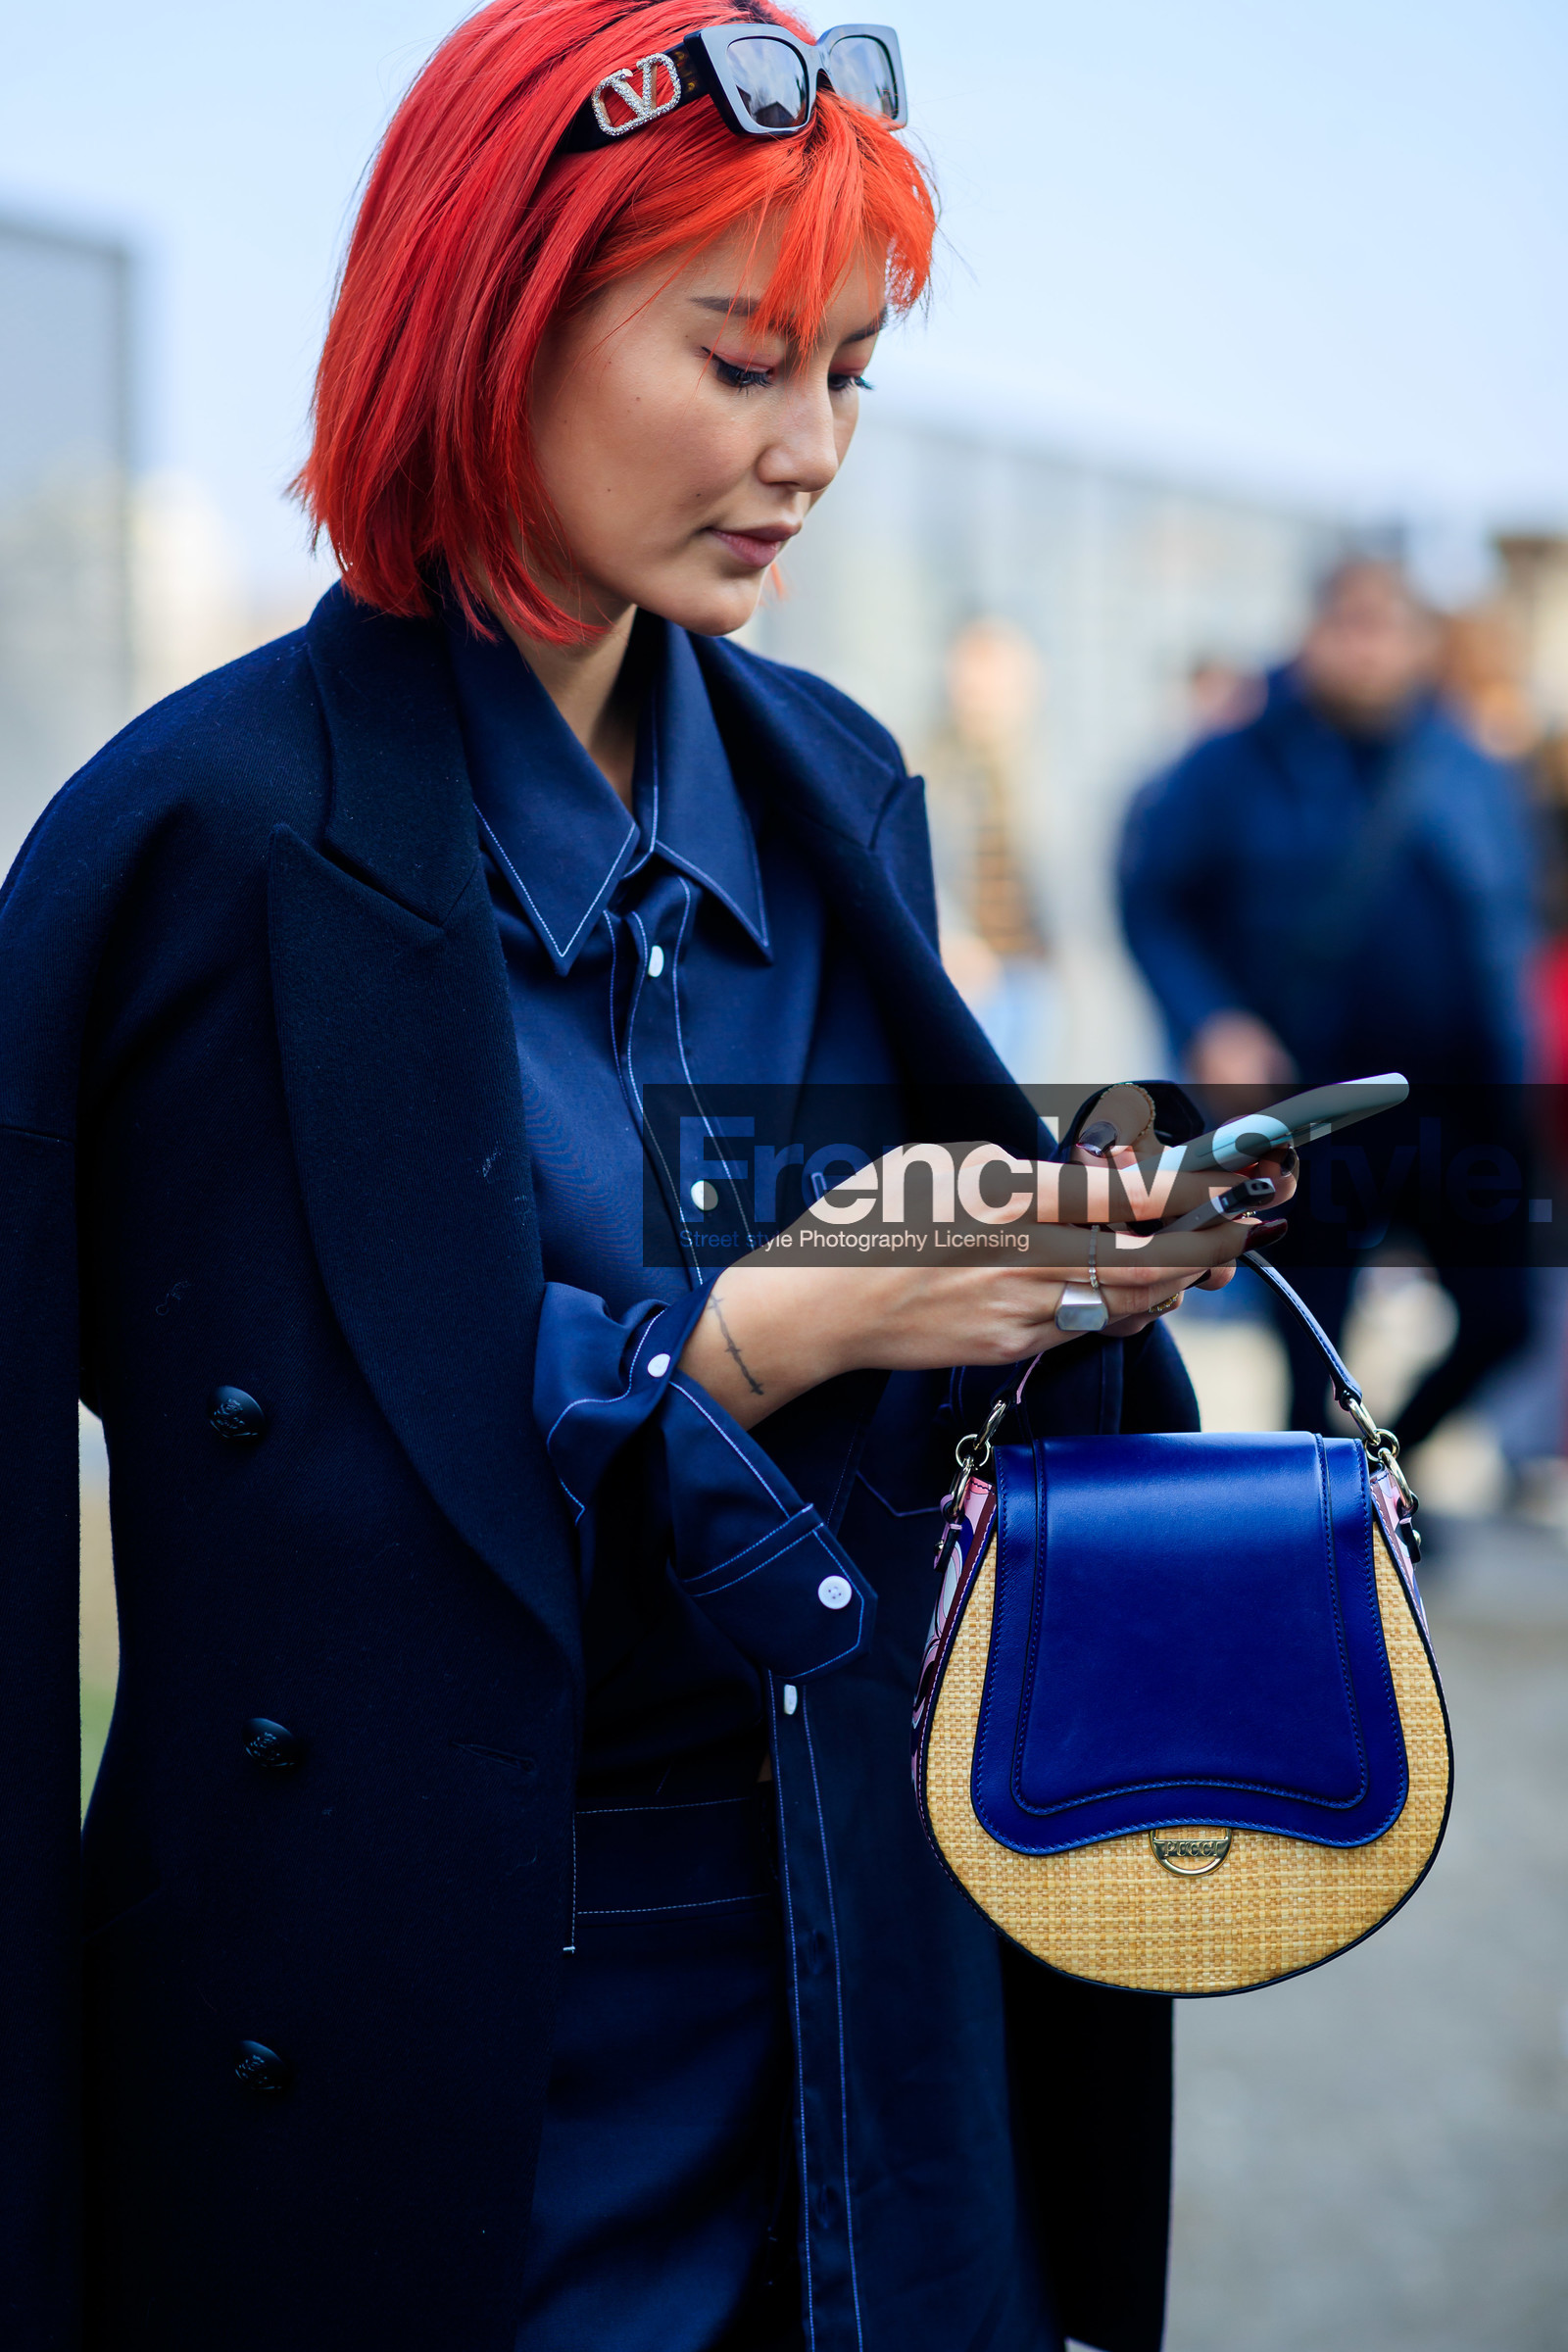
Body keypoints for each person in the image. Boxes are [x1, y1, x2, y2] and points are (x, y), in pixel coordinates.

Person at [0, 8, 1287, 2347]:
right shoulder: (194, 846)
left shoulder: (833, 784)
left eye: (850, 375)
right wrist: (772, 1328)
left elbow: (878, 1397)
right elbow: (282, 1519)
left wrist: (1034, 1262)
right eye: (738, 357)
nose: (808, 451)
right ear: (490, 321)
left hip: (863, 1976)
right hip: (431, 2036)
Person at [1120, 557, 1537, 1445]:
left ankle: (1380, 1470)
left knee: (1506, 1317)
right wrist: (1212, 1022)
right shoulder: (1238, 758)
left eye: (1388, 627)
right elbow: (1150, 894)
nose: (1367, 649)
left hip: (1458, 1100)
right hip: (1313, 1099)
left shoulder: (1466, 765)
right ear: (1311, 633)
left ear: (1422, 642)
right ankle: (1323, 1506)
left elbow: (1508, 921)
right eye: (1349, 624)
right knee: (1313, 1347)